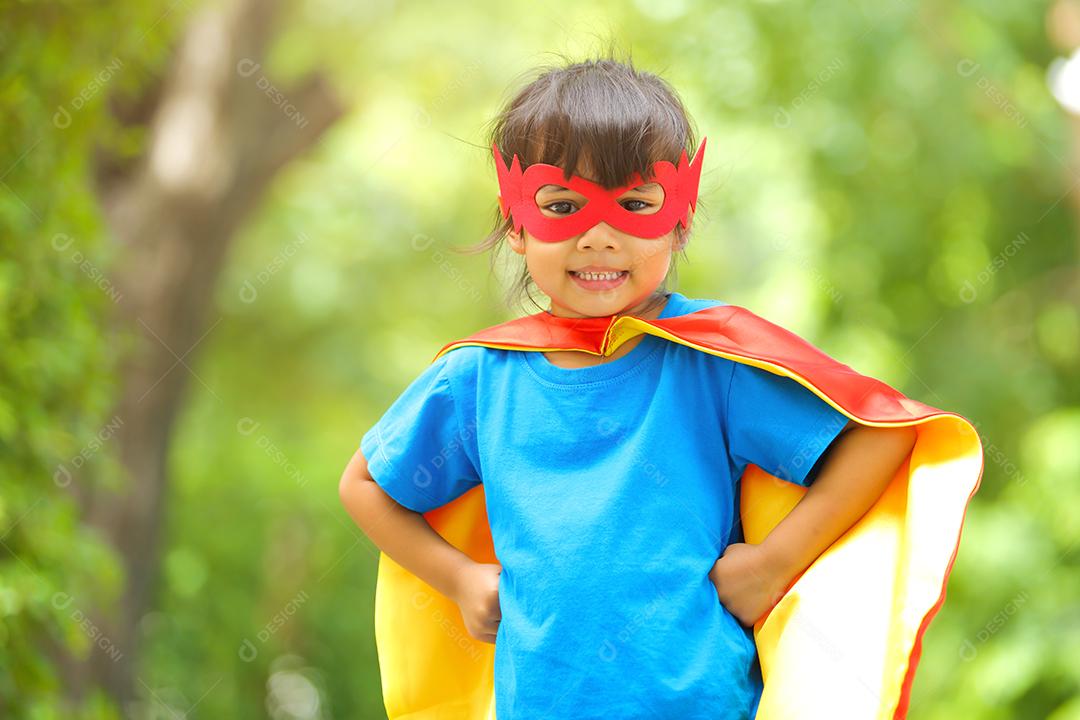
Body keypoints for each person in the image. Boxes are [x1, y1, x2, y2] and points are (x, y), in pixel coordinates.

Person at [339, 56, 982, 720]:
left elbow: (877, 440)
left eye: (636, 206)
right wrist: (459, 579)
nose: (599, 237)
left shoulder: (713, 362)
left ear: (680, 220)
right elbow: (364, 485)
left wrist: (774, 564)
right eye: (562, 207)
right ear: (517, 224)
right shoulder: (478, 378)